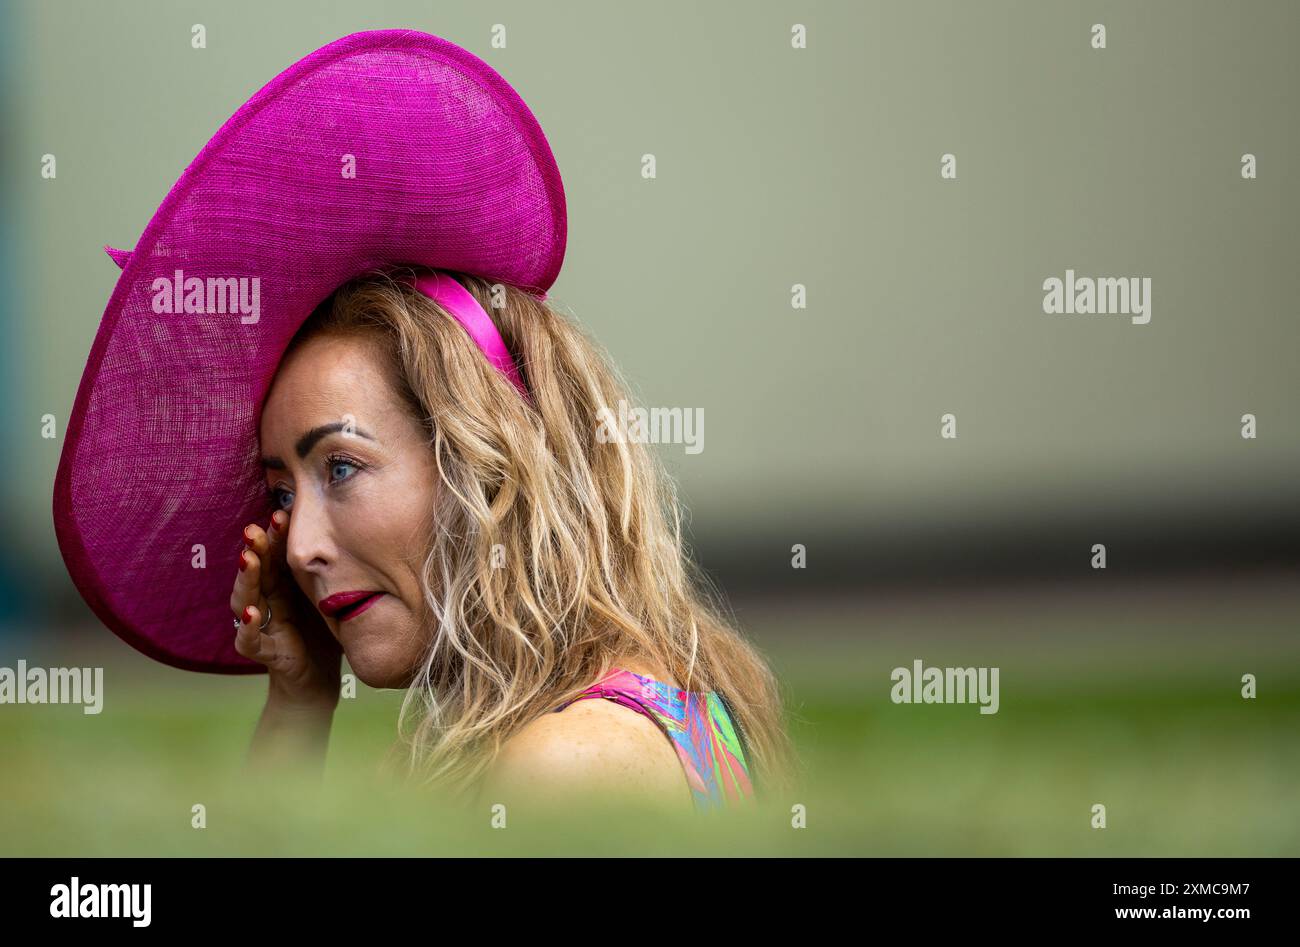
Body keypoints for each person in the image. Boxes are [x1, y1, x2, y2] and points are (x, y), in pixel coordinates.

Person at [52, 30, 796, 817]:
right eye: (279, 494)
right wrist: (301, 697)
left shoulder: (570, 765)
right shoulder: (612, 714)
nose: (298, 546)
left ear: (488, 466)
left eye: (340, 466)